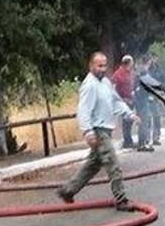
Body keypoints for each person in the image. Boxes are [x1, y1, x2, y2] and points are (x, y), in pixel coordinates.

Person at [56, 52, 140, 211]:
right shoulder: (89, 85)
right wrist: (88, 131)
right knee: (113, 163)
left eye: (104, 65)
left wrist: (130, 114)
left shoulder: (106, 83)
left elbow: (116, 102)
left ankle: (68, 190)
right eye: (99, 65)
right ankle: (121, 199)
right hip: (98, 131)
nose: (103, 68)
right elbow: (83, 110)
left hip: (106, 129)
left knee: (93, 165)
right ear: (91, 66)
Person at [111, 55, 136, 149]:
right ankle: (127, 141)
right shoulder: (119, 73)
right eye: (131, 62)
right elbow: (113, 87)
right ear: (129, 63)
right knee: (126, 122)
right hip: (124, 100)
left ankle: (129, 140)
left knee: (129, 122)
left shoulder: (131, 72)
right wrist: (120, 99)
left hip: (131, 99)